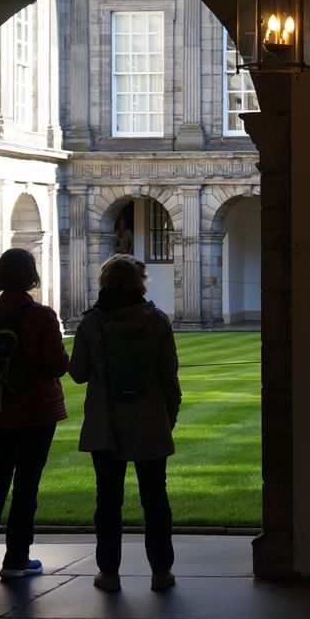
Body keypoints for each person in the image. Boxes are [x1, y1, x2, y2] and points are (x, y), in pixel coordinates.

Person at [68, 253, 182, 592]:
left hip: (106, 423)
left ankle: (109, 573)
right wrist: (167, 418)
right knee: (155, 499)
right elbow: (169, 378)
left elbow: (77, 375)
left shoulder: (91, 323)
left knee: (108, 501)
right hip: (149, 420)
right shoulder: (158, 321)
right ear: (139, 283)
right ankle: (161, 572)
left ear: (104, 283)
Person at [0, 248, 70, 580]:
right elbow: (56, 365)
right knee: (26, 485)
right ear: (31, 276)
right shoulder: (42, 316)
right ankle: (16, 560)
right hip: (36, 410)